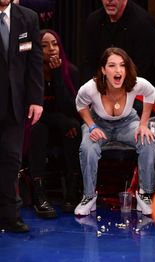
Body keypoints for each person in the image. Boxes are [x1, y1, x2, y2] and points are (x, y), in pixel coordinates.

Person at [75, 47, 155, 216]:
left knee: (147, 140)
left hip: (127, 123)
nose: (118, 70)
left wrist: (143, 123)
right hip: (98, 124)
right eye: (112, 66)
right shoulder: (90, 87)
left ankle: (144, 194)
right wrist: (91, 126)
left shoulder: (135, 84)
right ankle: (89, 196)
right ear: (104, 70)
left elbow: (151, 92)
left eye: (122, 65)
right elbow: (80, 104)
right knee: (88, 147)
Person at [27, 29, 82, 218]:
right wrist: (60, 120)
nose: (51, 49)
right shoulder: (30, 74)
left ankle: (72, 190)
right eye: (44, 45)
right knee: (38, 130)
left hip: (62, 126)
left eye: (55, 44)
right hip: (37, 125)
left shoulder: (71, 71)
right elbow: (32, 112)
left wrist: (58, 75)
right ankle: (39, 193)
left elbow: (69, 108)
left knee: (74, 127)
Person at [0, 0, 44, 232]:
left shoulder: (28, 18)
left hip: (14, 104)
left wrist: (36, 99)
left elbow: (35, 61)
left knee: (11, 160)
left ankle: (10, 216)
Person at [82, 0, 155, 96]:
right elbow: (90, 65)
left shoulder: (144, 24)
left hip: (135, 92)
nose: (109, 1)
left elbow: (143, 72)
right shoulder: (93, 21)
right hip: (101, 92)